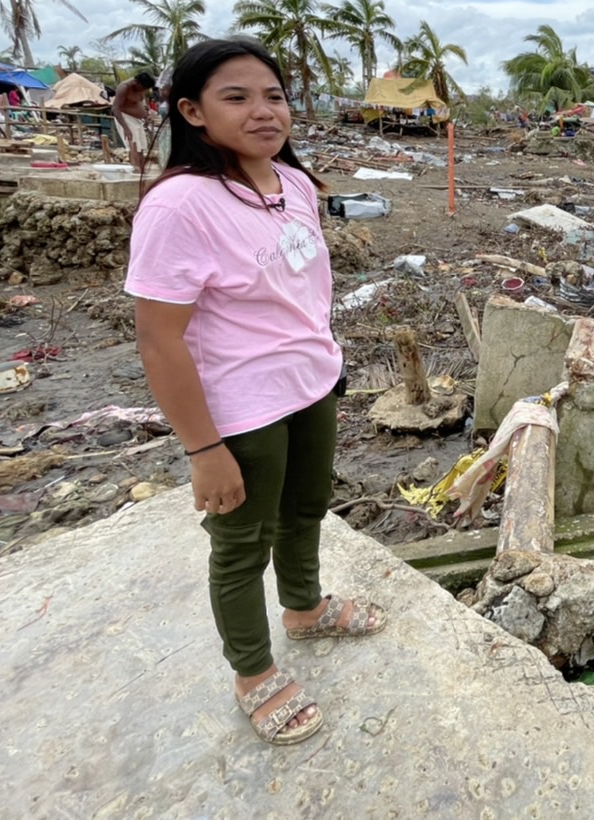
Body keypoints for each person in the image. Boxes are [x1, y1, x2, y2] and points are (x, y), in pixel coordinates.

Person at [124, 38, 384, 746]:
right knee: (242, 545)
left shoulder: (292, 184)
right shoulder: (179, 205)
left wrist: (328, 366)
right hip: (240, 407)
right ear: (192, 112)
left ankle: (304, 609)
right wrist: (203, 447)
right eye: (236, 97)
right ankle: (252, 672)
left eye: (273, 95)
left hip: (311, 384)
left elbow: (300, 290)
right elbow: (159, 339)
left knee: (305, 510)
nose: (263, 111)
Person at [113, 71, 157, 172]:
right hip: (125, 118)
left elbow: (140, 102)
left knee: (141, 147)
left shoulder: (141, 88)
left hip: (138, 120)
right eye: (142, 88)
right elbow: (115, 109)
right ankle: (135, 169)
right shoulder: (124, 88)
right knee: (133, 145)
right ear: (136, 82)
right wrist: (126, 128)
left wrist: (146, 115)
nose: (143, 90)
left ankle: (142, 170)